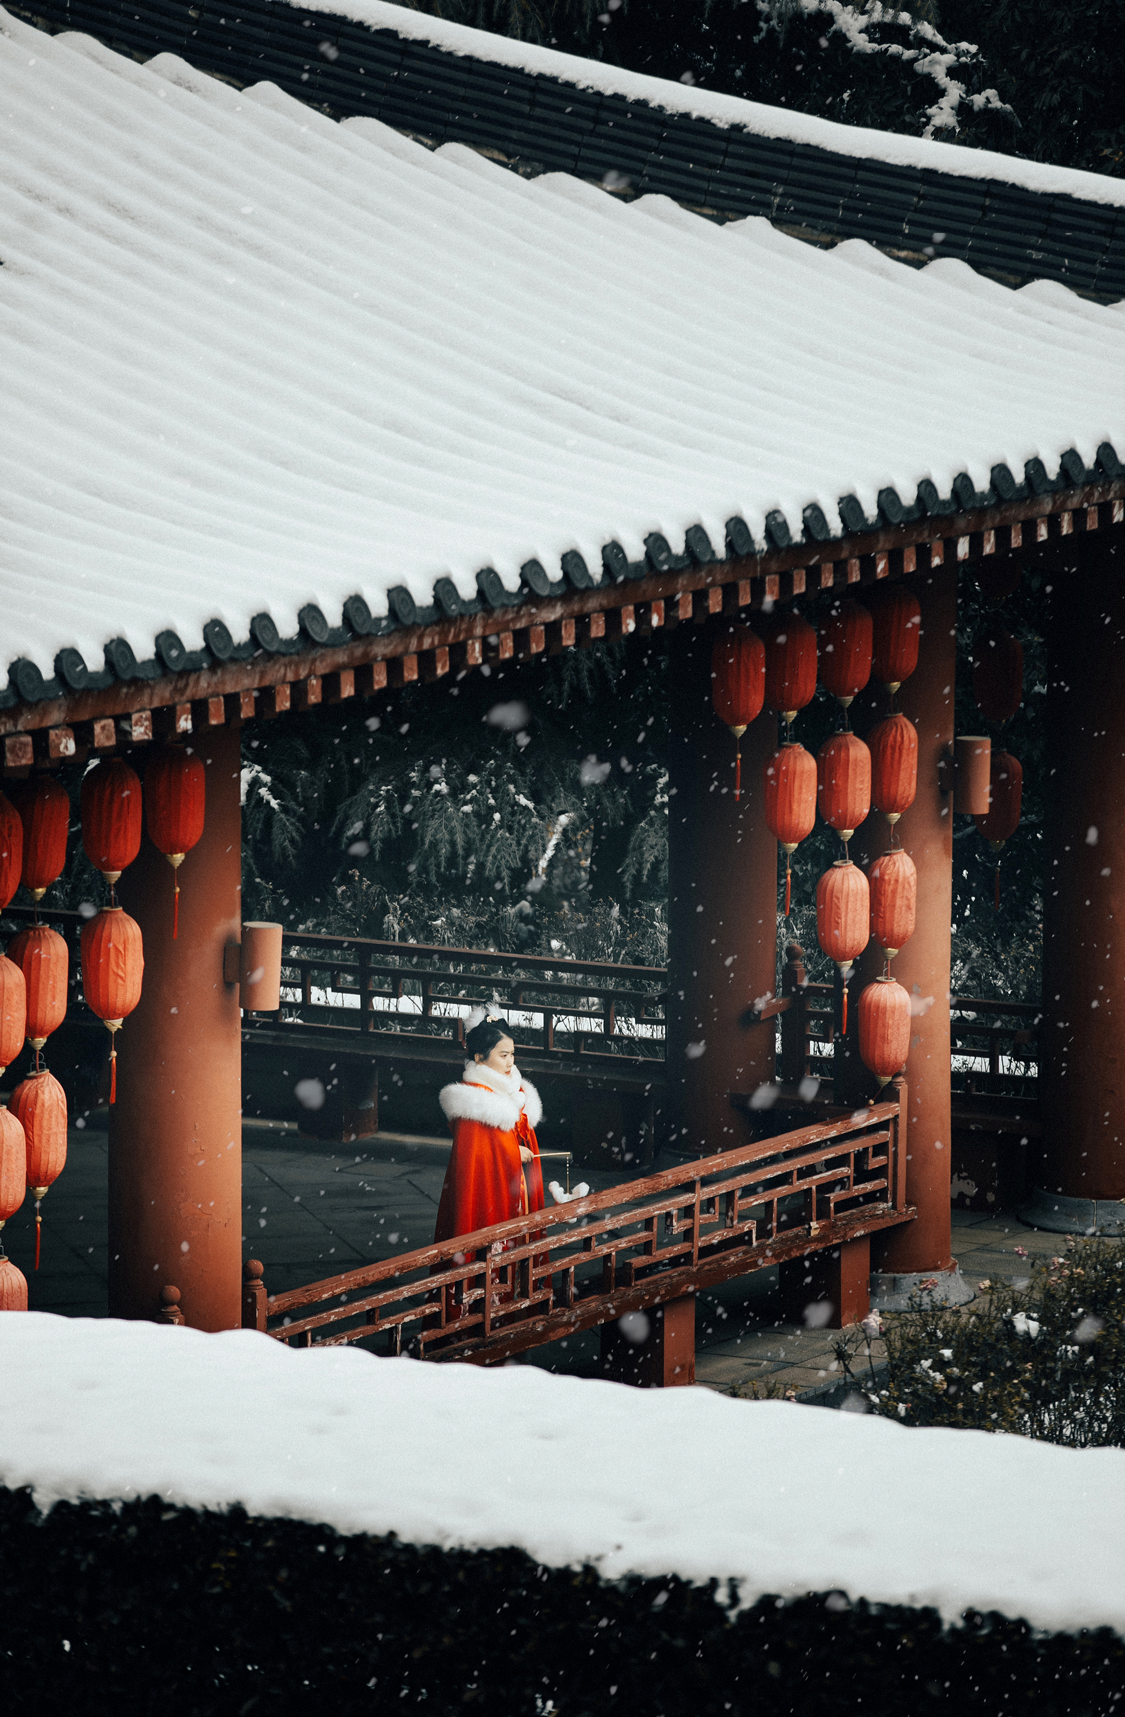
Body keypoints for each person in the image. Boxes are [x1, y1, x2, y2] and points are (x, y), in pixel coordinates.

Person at [433, 1010, 544, 1243]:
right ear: (479, 1057)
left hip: (515, 1186)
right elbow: (477, 1161)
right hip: (490, 1195)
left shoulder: (515, 1090)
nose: (510, 1062)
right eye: (503, 1055)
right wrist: (513, 1153)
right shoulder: (473, 1103)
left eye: (512, 1054)